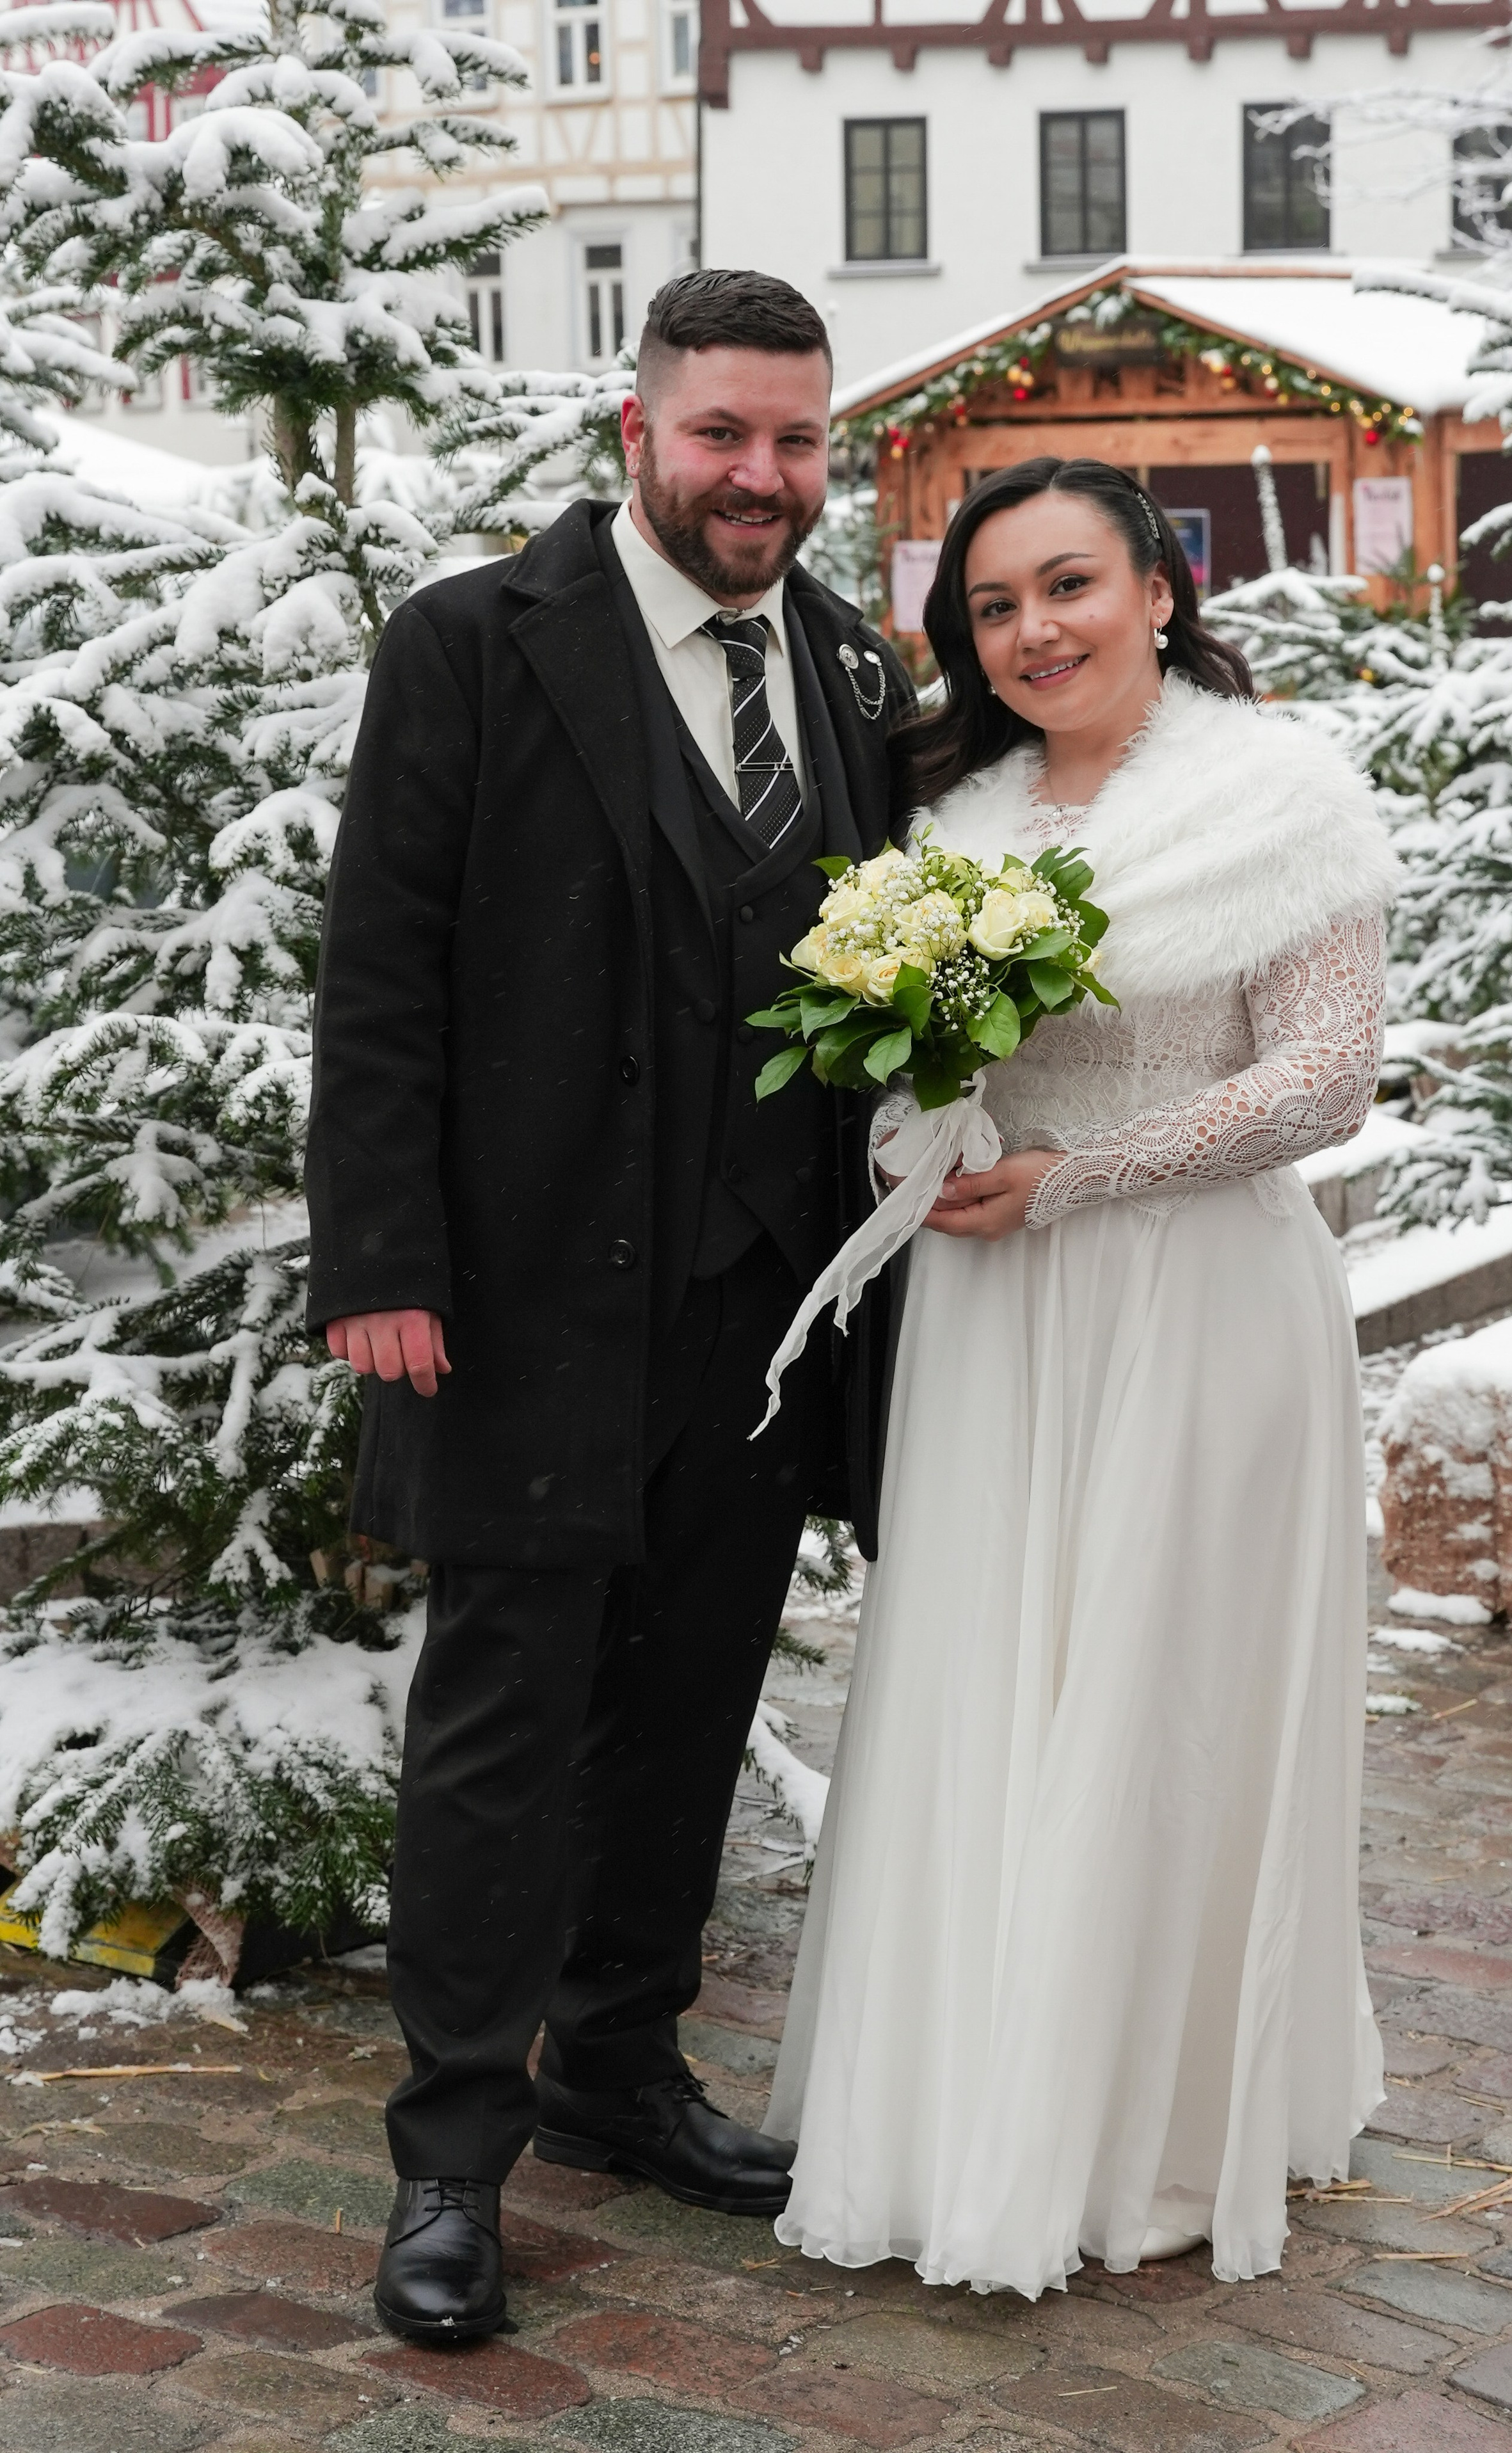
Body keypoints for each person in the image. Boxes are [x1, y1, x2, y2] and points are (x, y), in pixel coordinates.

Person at [305, 268, 914, 2344]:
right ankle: (452, 2162)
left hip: (761, 1309)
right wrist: (379, 1256)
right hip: (524, 1296)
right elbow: (381, 962)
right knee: (502, 1729)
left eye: (799, 438)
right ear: (636, 432)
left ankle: (621, 2067)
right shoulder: (476, 642)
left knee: (690, 1701)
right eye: (725, 433)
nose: (764, 474)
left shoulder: (841, 661)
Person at [767, 456, 1395, 2295]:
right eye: (991, 606)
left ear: (1160, 588)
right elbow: (916, 1066)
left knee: (1154, 1694)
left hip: (1192, 1304)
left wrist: (1083, 1180)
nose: (1032, 631)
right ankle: (971, 2104)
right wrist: (920, 1140)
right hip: (993, 1318)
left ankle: (1151, 2127)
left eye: (1069, 587)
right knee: (987, 1686)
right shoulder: (953, 819)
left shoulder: (1278, 798)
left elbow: (1325, 1074)